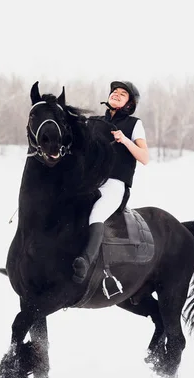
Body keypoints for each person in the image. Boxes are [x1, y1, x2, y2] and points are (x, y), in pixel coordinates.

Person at [72, 80, 150, 283]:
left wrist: (125, 140)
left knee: (96, 214)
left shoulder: (134, 124)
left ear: (129, 104)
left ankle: (85, 263)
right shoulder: (93, 121)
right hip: (89, 182)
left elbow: (144, 157)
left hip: (114, 184)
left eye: (122, 93)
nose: (116, 94)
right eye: (114, 91)